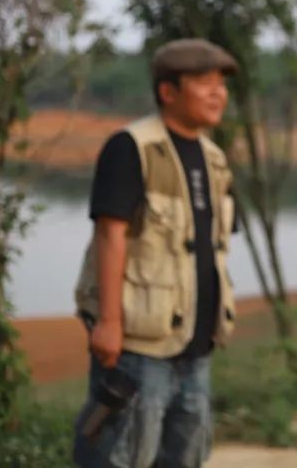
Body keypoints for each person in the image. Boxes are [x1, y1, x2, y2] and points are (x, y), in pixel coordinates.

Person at [72, 38, 240, 468]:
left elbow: (213, 248)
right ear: (168, 91)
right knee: (122, 456)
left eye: (221, 84)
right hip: (138, 346)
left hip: (195, 347)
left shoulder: (215, 159)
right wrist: (109, 322)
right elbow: (110, 234)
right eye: (205, 83)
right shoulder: (132, 147)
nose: (218, 93)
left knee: (186, 457)